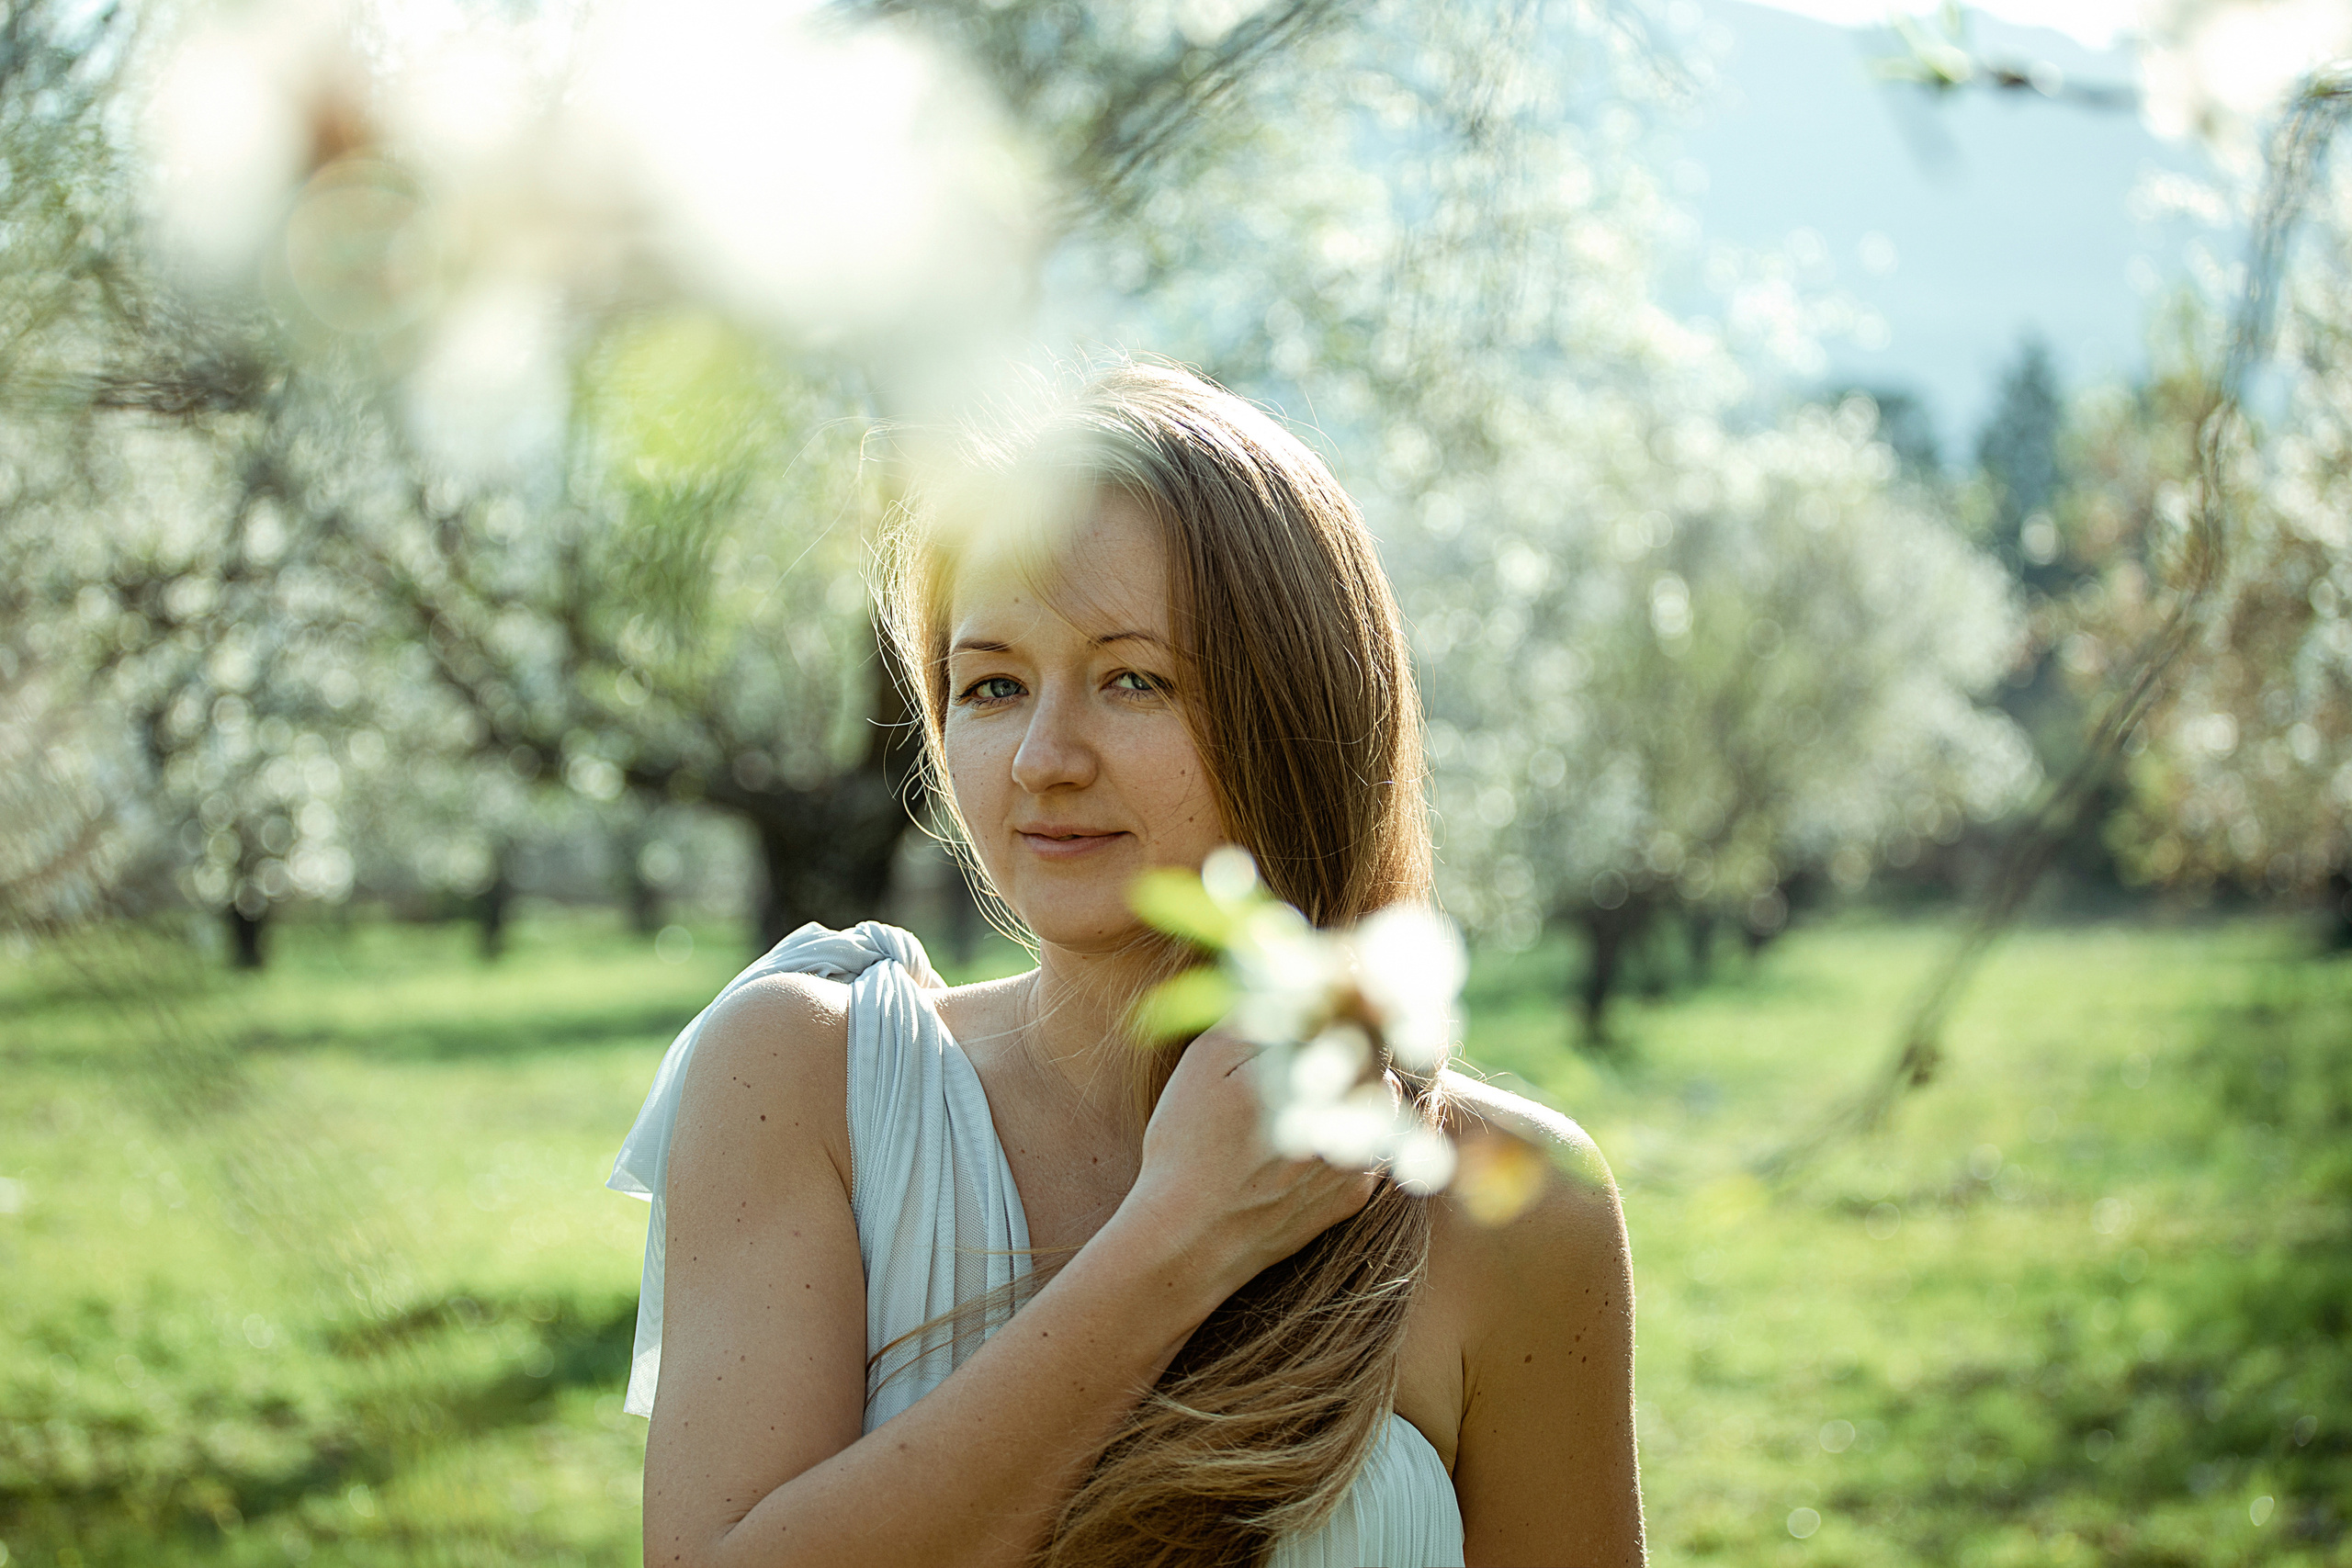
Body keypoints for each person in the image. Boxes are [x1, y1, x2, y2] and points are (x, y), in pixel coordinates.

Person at [607, 362, 1643, 1568]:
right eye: (991, 683)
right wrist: (1175, 1242)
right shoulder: (805, 1077)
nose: (1044, 756)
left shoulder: (1513, 1204)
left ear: (1296, 711)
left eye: (1132, 678)